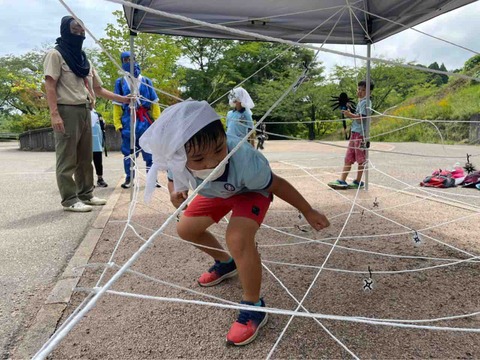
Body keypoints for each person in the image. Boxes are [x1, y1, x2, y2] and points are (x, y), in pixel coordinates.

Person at [139, 100, 330, 346]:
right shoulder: (177, 158)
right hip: (216, 193)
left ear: (224, 139)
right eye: (198, 159)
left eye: (219, 150)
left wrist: (308, 210)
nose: (212, 162)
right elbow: (173, 179)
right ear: (178, 156)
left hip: (250, 190)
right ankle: (225, 262)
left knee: (238, 238)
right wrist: (174, 193)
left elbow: (277, 184)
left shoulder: (243, 158)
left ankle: (254, 307)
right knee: (185, 229)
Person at [44, 16, 130, 212]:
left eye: (82, 30)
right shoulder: (55, 55)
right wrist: (54, 114)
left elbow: (98, 89)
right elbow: (50, 85)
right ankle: (69, 199)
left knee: (85, 157)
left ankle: (86, 194)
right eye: (76, 29)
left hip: (86, 110)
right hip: (66, 109)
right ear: (65, 30)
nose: (80, 33)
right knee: (67, 158)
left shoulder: (84, 59)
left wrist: (124, 99)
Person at [113, 51, 161, 189]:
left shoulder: (146, 81)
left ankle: (152, 178)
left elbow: (155, 103)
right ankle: (129, 178)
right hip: (128, 121)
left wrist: (157, 122)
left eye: (132, 59)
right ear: (122, 62)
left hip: (145, 120)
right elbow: (116, 104)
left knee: (149, 151)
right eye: (126, 60)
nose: (130, 62)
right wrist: (117, 123)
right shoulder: (120, 82)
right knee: (128, 152)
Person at [328, 80, 374, 190]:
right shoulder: (360, 102)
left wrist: (349, 114)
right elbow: (356, 116)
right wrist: (349, 112)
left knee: (361, 159)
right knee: (348, 157)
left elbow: (360, 119)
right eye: (359, 89)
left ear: (370, 92)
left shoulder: (366, 102)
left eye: (364, 90)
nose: (360, 92)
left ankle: (358, 181)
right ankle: (342, 180)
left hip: (361, 136)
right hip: (354, 134)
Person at [91, 108, 108, 187]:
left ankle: (100, 178)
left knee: (98, 162)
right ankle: (88, 181)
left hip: (97, 144)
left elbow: (103, 126)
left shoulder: (97, 114)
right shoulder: (82, 113)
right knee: (86, 164)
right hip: (86, 144)